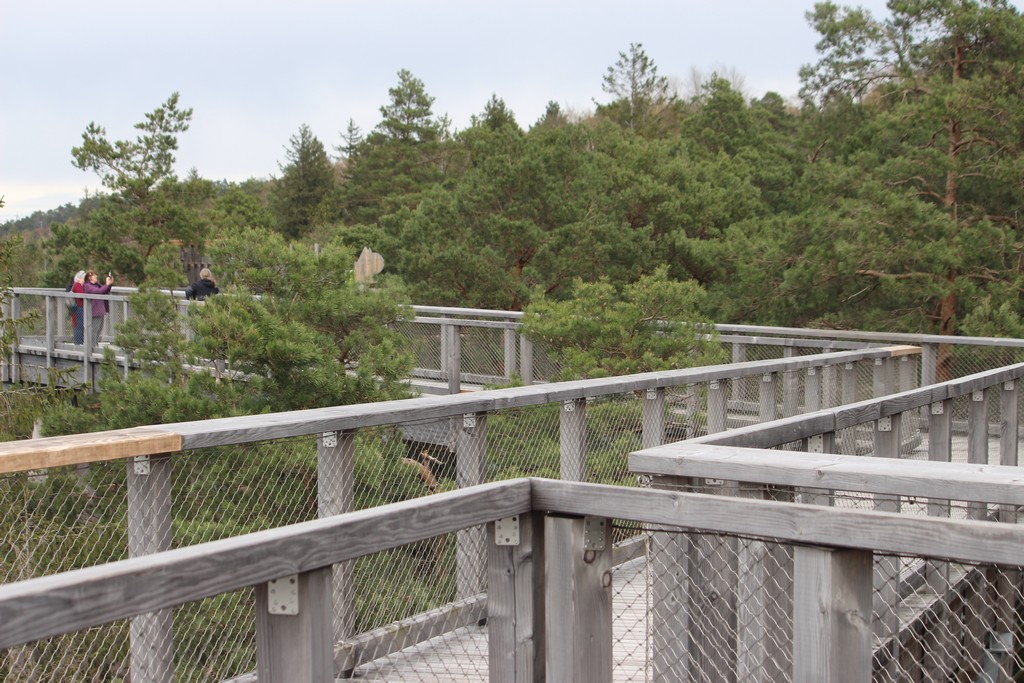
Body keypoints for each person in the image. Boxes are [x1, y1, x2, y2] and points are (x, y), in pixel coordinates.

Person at [82, 270, 113, 348]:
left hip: (101, 310)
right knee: (94, 329)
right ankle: (92, 346)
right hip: (94, 311)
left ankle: (95, 344)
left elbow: (104, 290)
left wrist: (109, 284)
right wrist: (106, 284)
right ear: (89, 278)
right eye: (94, 275)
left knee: (99, 329)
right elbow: (98, 291)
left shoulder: (97, 284)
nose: (96, 277)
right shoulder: (87, 286)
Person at [70, 270, 86, 344]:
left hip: (79, 307)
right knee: (79, 324)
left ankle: (80, 341)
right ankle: (78, 342)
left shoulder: (77, 285)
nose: (84, 280)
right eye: (83, 278)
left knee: (80, 324)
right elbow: (81, 294)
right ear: (79, 278)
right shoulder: (77, 285)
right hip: (79, 307)